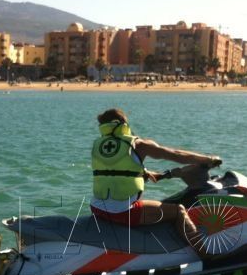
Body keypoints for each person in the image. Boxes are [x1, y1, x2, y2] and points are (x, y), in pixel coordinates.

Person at [90, 108, 222, 258]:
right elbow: (177, 155)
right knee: (178, 210)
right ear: (123, 124)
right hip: (123, 212)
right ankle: (207, 256)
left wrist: (144, 172)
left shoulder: (97, 145)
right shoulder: (138, 145)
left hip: (97, 208)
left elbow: (113, 169)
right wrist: (208, 160)